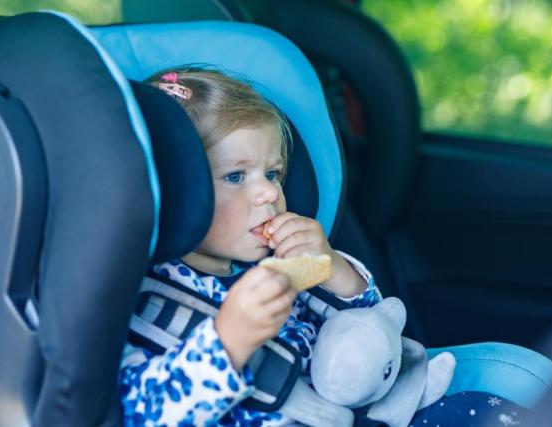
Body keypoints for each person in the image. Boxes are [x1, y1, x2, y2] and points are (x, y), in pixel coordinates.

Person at [118, 68, 381, 426]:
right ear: (171, 191)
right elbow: (139, 416)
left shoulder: (275, 265)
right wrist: (228, 340)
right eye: (235, 177)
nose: (271, 193)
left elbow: (370, 332)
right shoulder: (141, 300)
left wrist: (332, 267)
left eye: (272, 174)